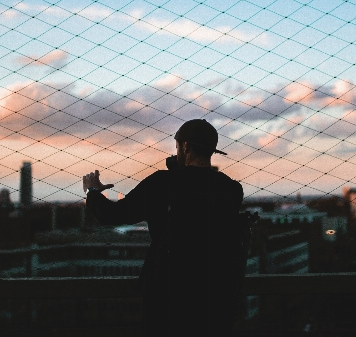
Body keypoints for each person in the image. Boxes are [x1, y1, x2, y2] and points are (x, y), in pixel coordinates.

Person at [83, 119, 244, 337]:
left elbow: (113, 215)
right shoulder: (231, 190)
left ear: (185, 146)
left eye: (177, 145)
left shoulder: (163, 183)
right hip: (216, 295)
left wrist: (93, 192)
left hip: (169, 294)